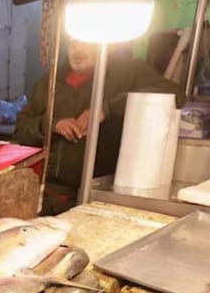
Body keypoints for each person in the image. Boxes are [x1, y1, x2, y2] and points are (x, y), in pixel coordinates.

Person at [14, 40, 183, 212]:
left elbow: (176, 95)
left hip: (105, 190)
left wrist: (107, 108)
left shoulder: (129, 71)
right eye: (73, 44)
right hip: (53, 191)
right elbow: (20, 129)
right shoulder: (47, 82)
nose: (78, 50)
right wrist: (51, 124)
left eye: (86, 43)